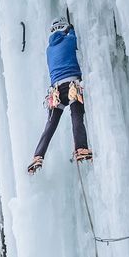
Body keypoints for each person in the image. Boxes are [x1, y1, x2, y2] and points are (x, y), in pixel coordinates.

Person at [27, 18, 92, 174]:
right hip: (72, 85)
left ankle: (38, 156)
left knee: (50, 124)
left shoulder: (49, 49)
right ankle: (81, 148)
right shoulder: (70, 39)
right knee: (76, 116)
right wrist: (72, 28)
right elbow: (75, 37)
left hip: (55, 91)